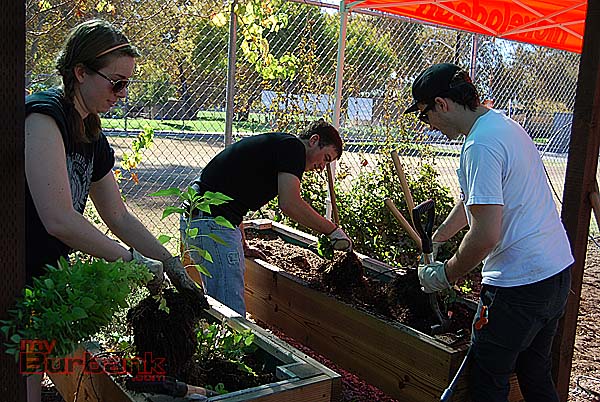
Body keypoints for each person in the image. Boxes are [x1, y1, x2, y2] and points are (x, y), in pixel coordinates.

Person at [25, 19, 206, 402]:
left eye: (127, 85)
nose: (122, 95)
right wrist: (132, 261)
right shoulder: (43, 118)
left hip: (42, 274)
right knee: (20, 374)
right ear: (80, 72)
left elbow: (118, 215)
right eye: (116, 83)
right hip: (14, 269)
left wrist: (170, 263)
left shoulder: (90, 131)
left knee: (30, 369)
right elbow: (58, 219)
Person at [405, 63, 573, 402]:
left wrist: (445, 274)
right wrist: (439, 238)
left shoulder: (479, 145)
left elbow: (485, 235)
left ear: (442, 104)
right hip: (555, 274)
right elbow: (476, 199)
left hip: (519, 285)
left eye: (424, 116)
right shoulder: (503, 126)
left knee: (487, 378)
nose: (429, 125)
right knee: (534, 371)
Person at [181, 120, 353, 315]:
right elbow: (290, 204)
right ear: (314, 140)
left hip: (200, 218)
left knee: (217, 306)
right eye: (326, 158)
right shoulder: (294, 148)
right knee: (230, 313)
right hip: (211, 223)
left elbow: (234, 196)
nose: (322, 167)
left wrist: (243, 245)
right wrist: (332, 231)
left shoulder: (280, 146)